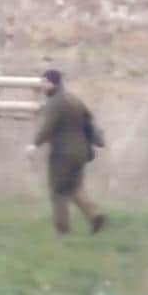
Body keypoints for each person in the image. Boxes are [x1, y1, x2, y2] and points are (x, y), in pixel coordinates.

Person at [26, 69, 106, 235]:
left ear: (53, 83)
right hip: (81, 152)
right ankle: (94, 214)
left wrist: (34, 144)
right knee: (74, 187)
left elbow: (48, 128)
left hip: (63, 153)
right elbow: (89, 121)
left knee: (58, 191)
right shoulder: (74, 99)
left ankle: (62, 231)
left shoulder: (56, 103)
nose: (42, 86)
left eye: (44, 82)